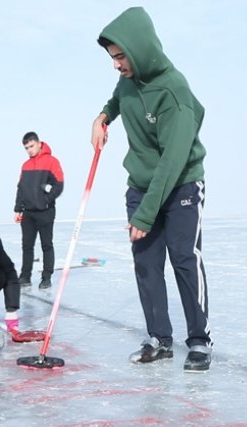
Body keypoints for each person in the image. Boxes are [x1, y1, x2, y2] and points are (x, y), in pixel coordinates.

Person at [90, 7, 212, 372]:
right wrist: (102, 117)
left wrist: (146, 212)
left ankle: (200, 340)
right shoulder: (129, 79)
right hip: (141, 186)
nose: (116, 65)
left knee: (184, 259)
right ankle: (159, 338)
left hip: (181, 184)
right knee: (146, 265)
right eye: (113, 57)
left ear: (140, 48)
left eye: (121, 56)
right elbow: (117, 98)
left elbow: (172, 163)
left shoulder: (174, 91)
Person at [13, 131, 64, 290]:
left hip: (45, 212)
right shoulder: (25, 165)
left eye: (31, 146)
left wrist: (46, 201)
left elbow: (59, 184)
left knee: (46, 245)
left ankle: (46, 277)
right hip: (28, 213)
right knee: (27, 245)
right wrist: (17, 209)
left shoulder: (51, 161)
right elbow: (20, 188)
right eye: (26, 148)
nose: (29, 150)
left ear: (39, 143)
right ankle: (25, 276)